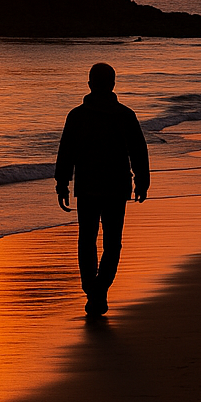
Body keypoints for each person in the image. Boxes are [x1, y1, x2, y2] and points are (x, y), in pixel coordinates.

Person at [55, 62, 149, 318]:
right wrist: (142, 180)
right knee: (112, 243)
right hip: (116, 188)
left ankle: (93, 290)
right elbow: (139, 151)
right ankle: (99, 290)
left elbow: (66, 154)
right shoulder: (125, 115)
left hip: (87, 187)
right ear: (113, 84)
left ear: (90, 84)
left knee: (87, 241)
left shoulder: (77, 115)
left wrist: (61, 183)